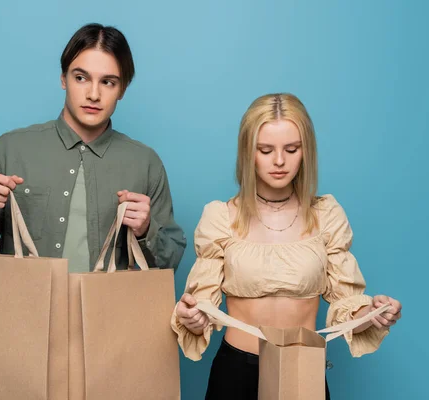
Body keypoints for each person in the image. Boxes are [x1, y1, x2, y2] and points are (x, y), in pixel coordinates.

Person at [171, 93, 402, 399]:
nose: (279, 161)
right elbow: (201, 311)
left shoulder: (326, 216)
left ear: (306, 151)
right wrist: (193, 317)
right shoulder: (220, 217)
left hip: (302, 367)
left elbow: (348, 310)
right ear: (247, 153)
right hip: (235, 371)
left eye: (291, 149)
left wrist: (371, 315)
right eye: (265, 150)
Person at [0, 23, 186, 272]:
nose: (93, 94)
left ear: (122, 90)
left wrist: (145, 230)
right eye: (81, 78)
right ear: (64, 79)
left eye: (107, 82)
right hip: (23, 307)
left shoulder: (146, 164)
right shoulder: (9, 150)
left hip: (108, 309)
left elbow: (170, 263)